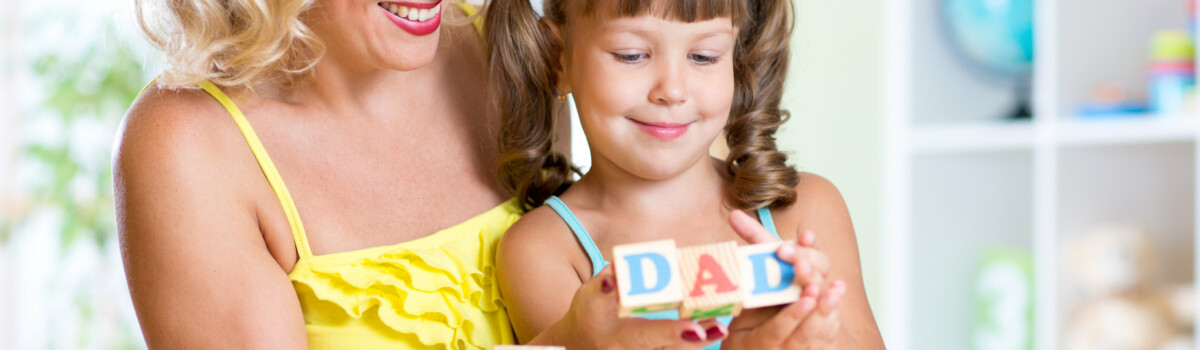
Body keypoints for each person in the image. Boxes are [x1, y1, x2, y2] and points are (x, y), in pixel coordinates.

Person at [485, 0, 887, 348]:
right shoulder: (547, 249)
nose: (672, 90)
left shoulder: (804, 210)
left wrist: (818, 330)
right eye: (631, 54)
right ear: (557, 56)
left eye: (704, 56)